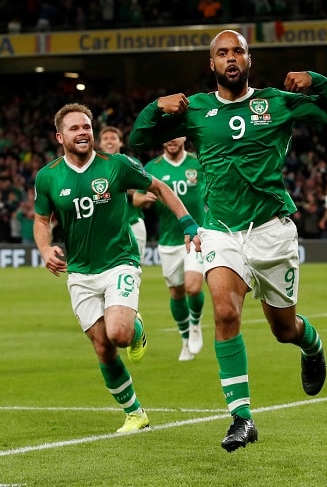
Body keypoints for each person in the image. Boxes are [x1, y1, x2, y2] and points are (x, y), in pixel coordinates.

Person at [129, 29, 327, 452]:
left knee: (284, 330)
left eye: (238, 52)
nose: (230, 58)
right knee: (224, 312)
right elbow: (139, 140)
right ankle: (241, 416)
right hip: (219, 231)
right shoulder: (195, 109)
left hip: (272, 231)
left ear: (249, 61)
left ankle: (312, 346)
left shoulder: (276, 102)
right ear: (210, 64)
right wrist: (154, 109)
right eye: (221, 53)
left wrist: (317, 81)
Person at [33, 103, 200, 434]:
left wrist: (187, 221)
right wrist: (44, 247)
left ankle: (135, 327)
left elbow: (159, 187)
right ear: (59, 136)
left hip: (119, 261)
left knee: (119, 334)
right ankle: (135, 413)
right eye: (74, 129)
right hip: (79, 272)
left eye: (86, 127)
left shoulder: (117, 165)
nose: (82, 133)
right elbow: (41, 219)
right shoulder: (48, 176)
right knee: (103, 346)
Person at [134, 136, 207, 362]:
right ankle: (185, 340)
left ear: (184, 137)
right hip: (168, 240)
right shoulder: (152, 167)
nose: (171, 141)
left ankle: (195, 324)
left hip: (196, 235)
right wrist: (142, 199)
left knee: (193, 288)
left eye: (175, 136)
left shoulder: (198, 163)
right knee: (176, 292)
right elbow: (136, 197)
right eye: (165, 137)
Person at [98, 126, 148, 261]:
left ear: (121, 142)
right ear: (100, 143)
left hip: (132, 223)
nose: (109, 141)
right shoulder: (94, 166)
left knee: (135, 269)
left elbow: (142, 191)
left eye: (113, 138)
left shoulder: (133, 163)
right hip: (105, 227)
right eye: (105, 138)